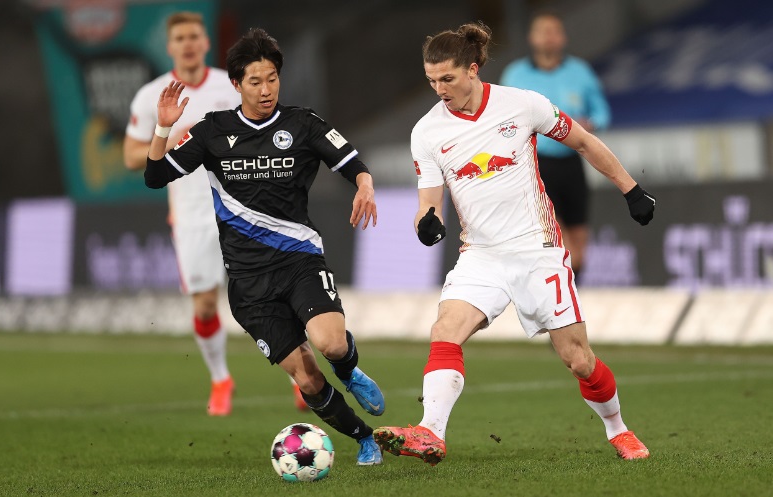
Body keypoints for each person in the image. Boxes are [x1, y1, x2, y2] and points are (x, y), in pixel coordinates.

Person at [373, 22, 655, 465]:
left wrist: (630, 189)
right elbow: (429, 201)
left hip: (537, 249)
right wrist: (427, 222)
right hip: (481, 254)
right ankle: (430, 432)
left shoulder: (522, 104)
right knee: (445, 330)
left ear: (472, 69)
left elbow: (583, 142)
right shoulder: (426, 132)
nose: (439, 89)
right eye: (431, 80)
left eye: (447, 78)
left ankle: (619, 430)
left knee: (578, 359)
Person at [143, 27, 386, 465]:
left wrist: (365, 185)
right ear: (236, 85)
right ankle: (365, 439)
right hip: (249, 283)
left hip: (300, 260)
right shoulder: (213, 130)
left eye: (272, 79)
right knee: (308, 379)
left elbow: (351, 161)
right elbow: (155, 176)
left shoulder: (302, 123)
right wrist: (163, 126)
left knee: (331, 345)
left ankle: (349, 370)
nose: (266, 89)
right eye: (255, 81)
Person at [123, 12, 307, 415]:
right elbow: (132, 156)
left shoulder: (233, 85)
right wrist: (171, 137)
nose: (188, 44)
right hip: (192, 215)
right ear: (169, 47)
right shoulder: (153, 95)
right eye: (180, 38)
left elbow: (269, 127)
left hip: (249, 210)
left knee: (273, 294)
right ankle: (221, 378)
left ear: (206, 43)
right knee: (205, 305)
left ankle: (300, 378)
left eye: (194, 36)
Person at [500, 11, 611, 275]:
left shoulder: (580, 73)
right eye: (543, 31)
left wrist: (590, 124)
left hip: (572, 162)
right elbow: (502, 118)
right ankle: (558, 297)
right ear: (532, 38)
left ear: (563, 37)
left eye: (554, 31)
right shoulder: (515, 75)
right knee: (562, 244)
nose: (549, 37)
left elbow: (602, 112)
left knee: (579, 249)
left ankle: (571, 294)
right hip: (537, 167)